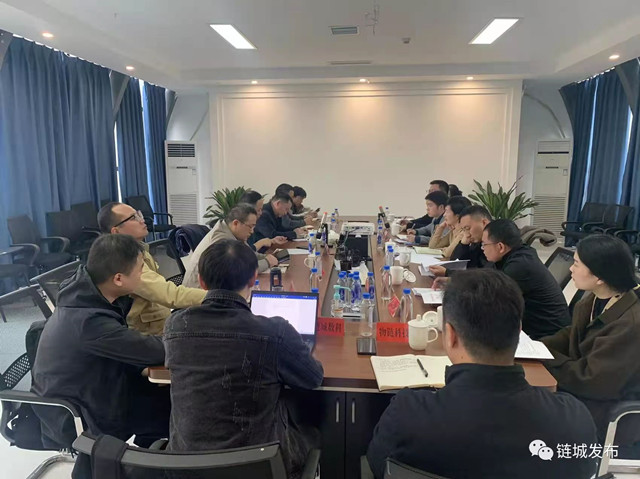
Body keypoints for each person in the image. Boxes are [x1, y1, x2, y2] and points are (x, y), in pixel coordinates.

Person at [367, 269, 597, 479]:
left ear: (450, 335)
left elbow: (379, 465)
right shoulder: (574, 420)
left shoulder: (407, 414)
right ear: (518, 332)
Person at [165, 239, 324, 478]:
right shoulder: (274, 331)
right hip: (259, 467)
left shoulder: (175, 326)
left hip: (187, 467)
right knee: (313, 433)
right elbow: (313, 378)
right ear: (253, 279)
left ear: (201, 281)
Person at [32, 235, 170, 478]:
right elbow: (155, 350)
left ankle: (146, 458)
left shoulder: (87, 297)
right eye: (140, 269)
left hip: (91, 389)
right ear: (118, 278)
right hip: (77, 412)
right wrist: (190, 340)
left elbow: (126, 348)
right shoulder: (89, 321)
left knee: (164, 397)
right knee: (172, 408)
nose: (143, 275)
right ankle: (134, 464)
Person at [542, 235, 640, 450]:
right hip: (583, 394)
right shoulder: (594, 299)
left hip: (604, 408)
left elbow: (592, 380)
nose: (571, 269)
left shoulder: (630, 324)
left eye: (577, 264)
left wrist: (547, 358)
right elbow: (573, 334)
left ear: (600, 276)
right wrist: (537, 346)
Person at [98, 202, 206, 335]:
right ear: (116, 231)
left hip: (163, 321)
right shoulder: (123, 262)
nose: (142, 220)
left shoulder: (139, 249)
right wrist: (217, 296)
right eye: (133, 218)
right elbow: (171, 295)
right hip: (151, 335)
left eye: (139, 214)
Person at [482, 219, 571, 339]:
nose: (483, 249)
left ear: (500, 246)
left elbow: (492, 300)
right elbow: (487, 276)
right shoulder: (519, 252)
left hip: (548, 336)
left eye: (484, 244)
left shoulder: (519, 266)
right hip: (538, 327)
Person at [183, 204, 279, 288]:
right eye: (250, 226)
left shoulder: (234, 233)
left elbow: (248, 254)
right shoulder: (222, 239)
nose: (252, 231)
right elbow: (239, 271)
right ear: (236, 223)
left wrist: (266, 257)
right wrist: (267, 262)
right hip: (199, 294)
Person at [431, 205, 492, 281]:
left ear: (484, 222)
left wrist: (448, 273)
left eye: (468, 228)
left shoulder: (494, 243)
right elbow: (457, 264)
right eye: (464, 230)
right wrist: (463, 244)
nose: (467, 234)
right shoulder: (477, 242)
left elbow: (484, 276)